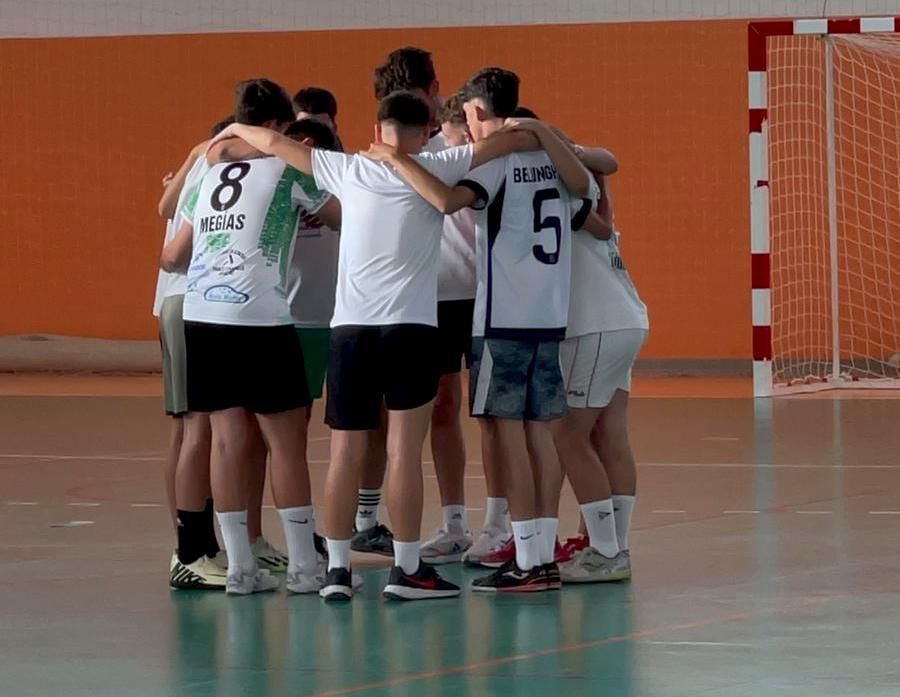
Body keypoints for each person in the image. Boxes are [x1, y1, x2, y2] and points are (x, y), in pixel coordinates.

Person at [213, 89, 541, 600]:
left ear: (377, 126)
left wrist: (230, 133)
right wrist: (494, 121)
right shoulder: (443, 163)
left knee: (345, 450)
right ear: (428, 129)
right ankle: (407, 570)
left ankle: (338, 572)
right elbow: (516, 139)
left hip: (350, 331)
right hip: (410, 328)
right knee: (403, 450)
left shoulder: (344, 168)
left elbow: (273, 141)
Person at [371, 68, 601, 593]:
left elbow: (448, 202)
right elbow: (590, 181)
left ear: (476, 111)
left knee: (507, 434)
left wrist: (398, 161)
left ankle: (526, 556)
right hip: (548, 314)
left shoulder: (497, 163)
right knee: (538, 433)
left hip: (502, 317)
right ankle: (539, 555)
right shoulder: (553, 161)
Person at [161, 78, 329, 596]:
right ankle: (303, 567)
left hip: (203, 312)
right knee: (285, 443)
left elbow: (172, 255)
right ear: (278, 128)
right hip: (261, 312)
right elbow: (347, 216)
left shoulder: (209, 169)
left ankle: (239, 569)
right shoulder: (287, 165)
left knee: (227, 441)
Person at [553, 172, 648, 583]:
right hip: (627, 320)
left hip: (597, 327)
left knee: (568, 435)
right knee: (609, 434)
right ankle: (614, 545)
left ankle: (606, 549)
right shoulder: (591, 197)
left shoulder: (569, 205)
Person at [157, 116, 231, 590]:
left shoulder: (201, 170)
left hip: (186, 304)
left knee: (190, 428)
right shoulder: (212, 173)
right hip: (187, 302)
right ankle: (190, 549)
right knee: (194, 427)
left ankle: (197, 544)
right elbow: (173, 253)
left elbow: (163, 205)